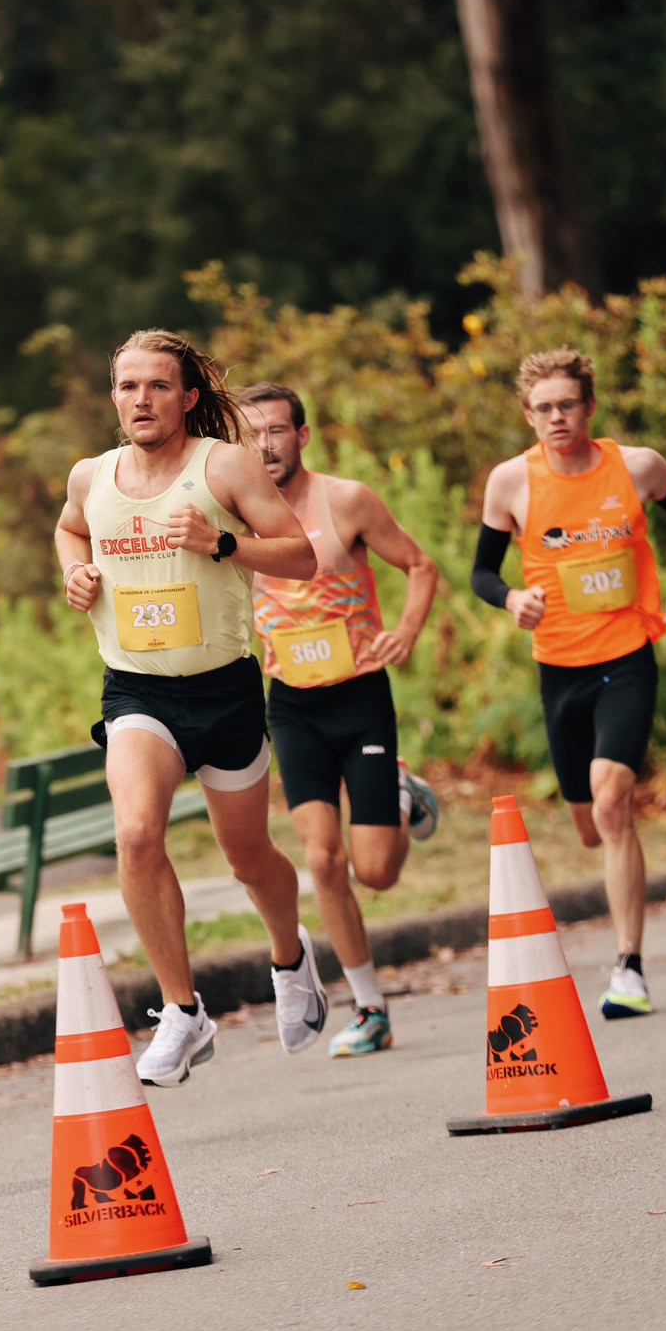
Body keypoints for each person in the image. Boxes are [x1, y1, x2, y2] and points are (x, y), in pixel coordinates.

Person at [55, 330, 328, 1085]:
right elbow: (71, 527)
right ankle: (183, 1011)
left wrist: (222, 545)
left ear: (187, 397)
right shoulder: (92, 475)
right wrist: (75, 571)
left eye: (156, 386)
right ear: (113, 396)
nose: (139, 399)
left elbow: (301, 555)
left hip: (224, 689)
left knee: (249, 858)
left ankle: (289, 955)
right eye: (126, 386)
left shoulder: (224, 467)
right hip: (136, 688)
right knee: (137, 832)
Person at [471, 346, 666, 1018]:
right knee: (586, 823)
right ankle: (614, 871)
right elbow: (481, 573)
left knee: (613, 801)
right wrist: (510, 598)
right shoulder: (510, 483)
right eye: (543, 408)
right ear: (527, 414)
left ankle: (628, 966)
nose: (556, 417)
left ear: (589, 407)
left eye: (567, 404)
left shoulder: (635, 467)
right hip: (559, 669)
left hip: (627, 656)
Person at [240, 383, 441, 1057]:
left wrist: (406, 632)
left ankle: (401, 796)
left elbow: (418, 564)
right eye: (250, 434)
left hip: (359, 699)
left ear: (301, 435)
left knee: (375, 871)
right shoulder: (234, 518)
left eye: (274, 431)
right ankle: (369, 1008)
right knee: (322, 862)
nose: (263, 445)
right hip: (291, 703)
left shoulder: (347, 501)